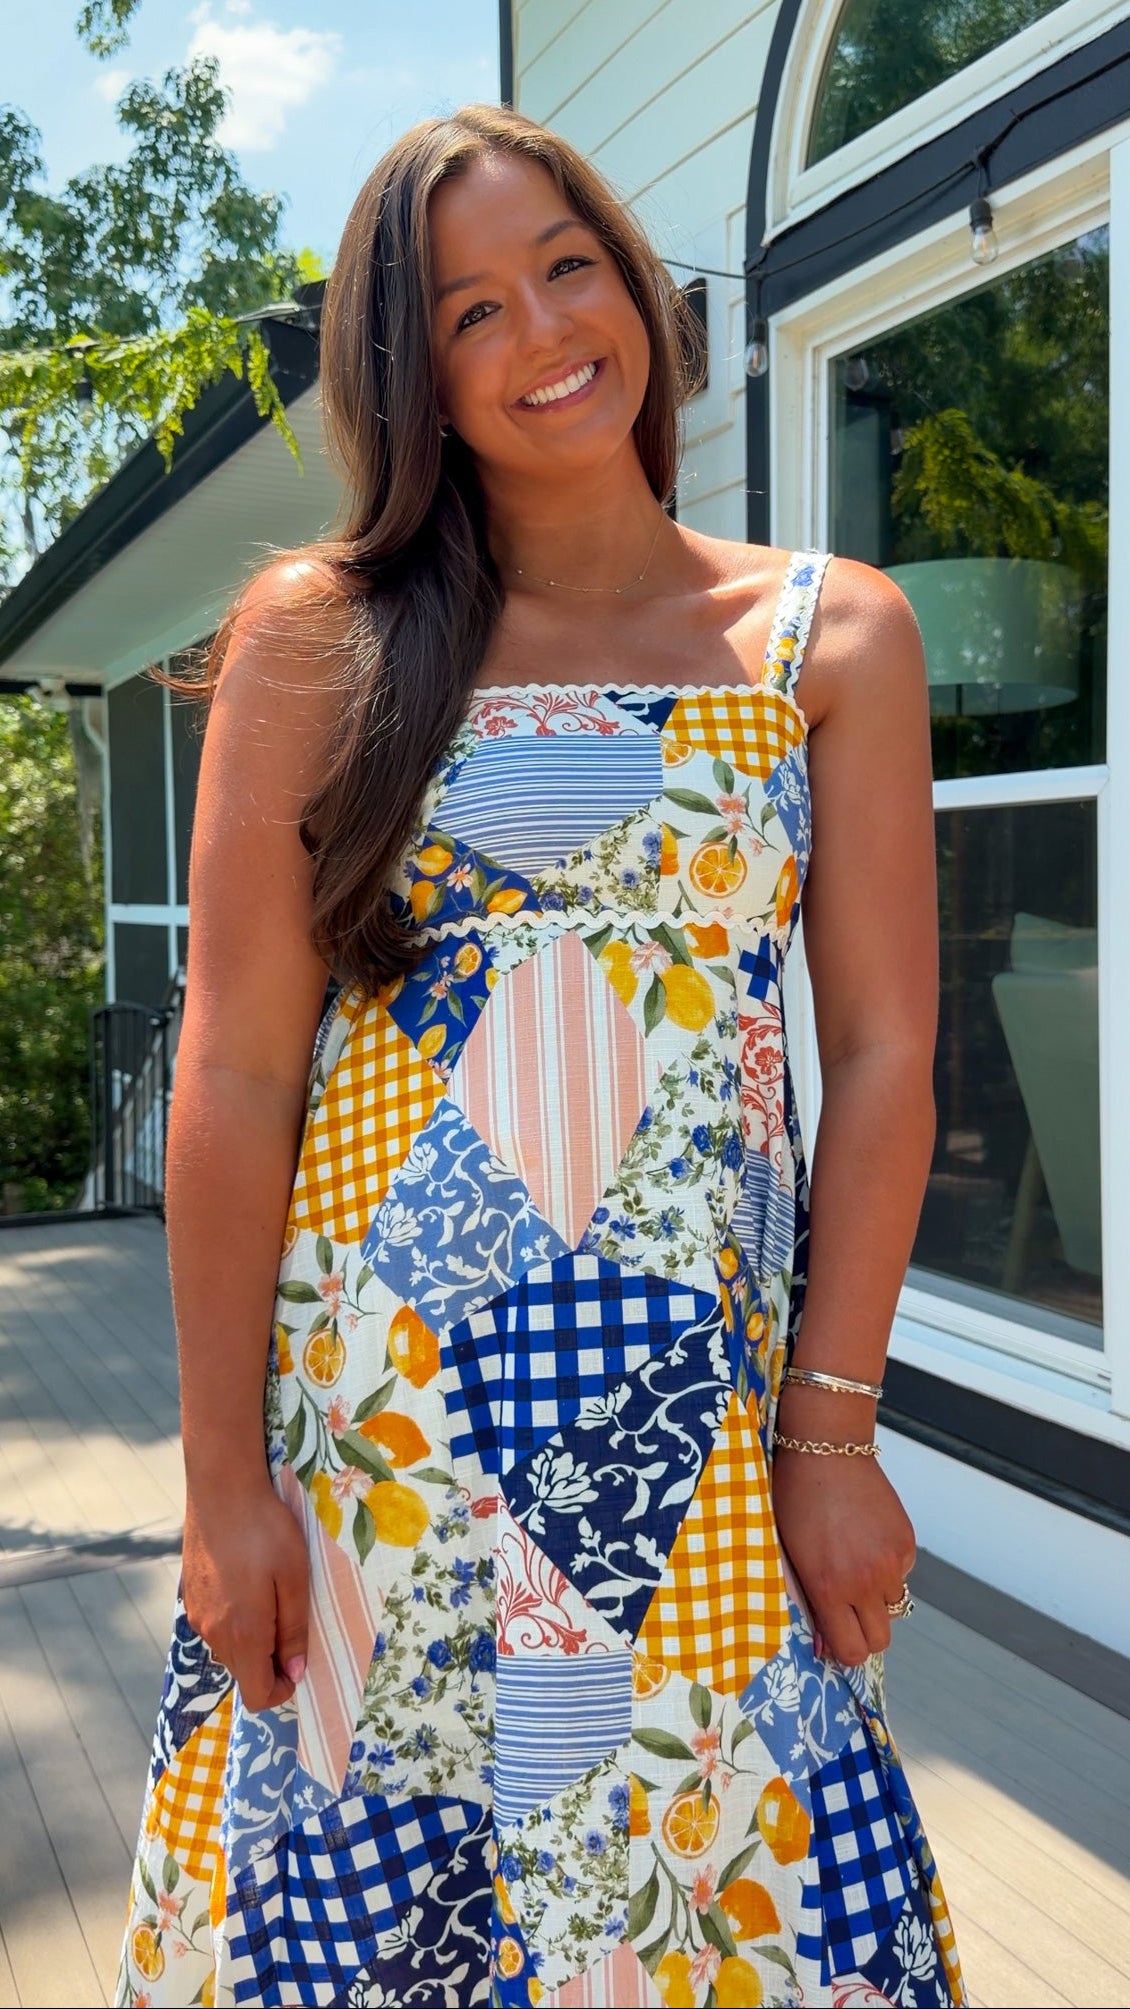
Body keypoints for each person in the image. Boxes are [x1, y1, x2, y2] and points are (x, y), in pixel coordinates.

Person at [117, 102, 963, 2009]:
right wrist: (221, 1480)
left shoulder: (829, 639)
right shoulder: (323, 637)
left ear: (637, 287)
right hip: (374, 1447)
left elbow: (885, 1056)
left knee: (720, 1912)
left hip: (704, 1455)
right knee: (377, 1930)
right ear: (412, 378)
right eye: (470, 312)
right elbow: (236, 1072)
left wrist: (832, 1432)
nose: (543, 331)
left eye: (567, 268)